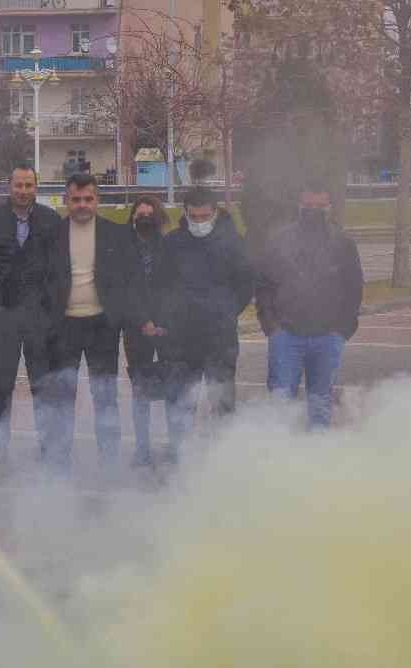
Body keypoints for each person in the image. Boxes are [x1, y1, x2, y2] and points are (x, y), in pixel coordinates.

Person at [0, 164, 62, 466]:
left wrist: (49, 307)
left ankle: (48, 447)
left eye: (29, 185)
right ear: (9, 187)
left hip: (39, 317)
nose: (23, 192)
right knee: (2, 385)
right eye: (18, 185)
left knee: (42, 384)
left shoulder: (50, 220)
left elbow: (58, 267)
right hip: (5, 314)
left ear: (37, 187)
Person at [255, 181, 364, 429]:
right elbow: (264, 286)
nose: (314, 210)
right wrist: (271, 326)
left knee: (320, 402)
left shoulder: (343, 244)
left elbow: (354, 289)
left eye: (320, 205)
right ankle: (280, 456)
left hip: (328, 336)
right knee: (281, 403)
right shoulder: (280, 240)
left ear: (330, 207)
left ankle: (317, 458)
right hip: (286, 336)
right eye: (308, 205)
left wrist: (342, 329)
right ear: (299, 205)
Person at [46, 172, 136, 473]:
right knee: (61, 399)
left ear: (97, 200)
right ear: (66, 201)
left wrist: (119, 316)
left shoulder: (117, 234)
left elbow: (128, 279)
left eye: (88, 199)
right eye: (76, 199)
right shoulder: (50, 236)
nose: (82, 204)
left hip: (102, 327)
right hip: (64, 328)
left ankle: (109, 462)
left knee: (105, 396)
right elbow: (39, 282)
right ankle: (60, 465)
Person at [156, 186, 255, 443]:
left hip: (219, 340)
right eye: (193, 217)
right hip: (180, 342)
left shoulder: (233, 242)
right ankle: (181, 460)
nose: (199, 222)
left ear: (214, 213)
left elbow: (245, 283)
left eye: (204, 217)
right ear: (185, 213)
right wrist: (170, 319)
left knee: (222, 404)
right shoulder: (172, 243)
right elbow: (159, 284)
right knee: (180, 404)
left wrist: (227, 311)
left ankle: (223, 461)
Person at [122, 195, 170, 467]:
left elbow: (175, 286)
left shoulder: (169, 246)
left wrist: (164, 322)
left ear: (159, 217)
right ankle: (142, 449)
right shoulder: (124, 249)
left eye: (149, 215)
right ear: (132, 219)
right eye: (139, 216)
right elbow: (122, 289)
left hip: (166, 329)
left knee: (171, 387)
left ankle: (173, 444)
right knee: (141, 391)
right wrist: (142, 320)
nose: (144, 220)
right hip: (136, 329)